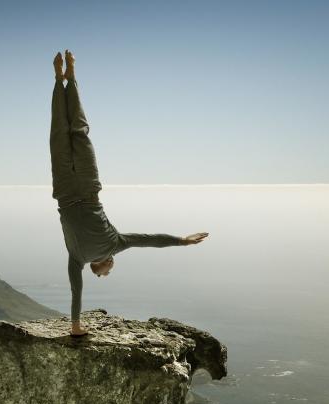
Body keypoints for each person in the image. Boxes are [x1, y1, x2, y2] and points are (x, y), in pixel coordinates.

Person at [50, 49, 209, 337]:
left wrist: (75, 326)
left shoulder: (83, 258)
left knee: (66, 133)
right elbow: (150, 240)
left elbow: (77, 291)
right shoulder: (111, 245)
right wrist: (182, 241)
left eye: (105, 274)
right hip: (78, 189)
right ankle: (69, 79)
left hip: (73, 188)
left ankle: (61, 80)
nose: (109, 271)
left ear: (98, 268)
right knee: (72, 133)